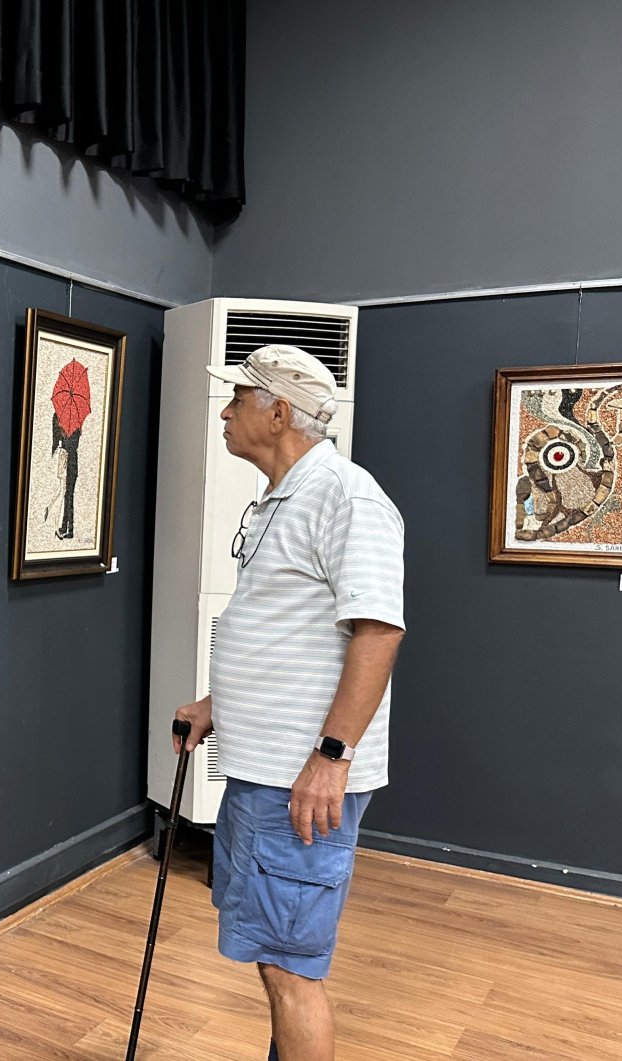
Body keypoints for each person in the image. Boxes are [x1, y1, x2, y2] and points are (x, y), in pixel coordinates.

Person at [172, 344, 405, 1061]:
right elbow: (289, 632)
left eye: (238, 399)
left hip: (301, 779)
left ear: (277, 412)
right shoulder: (286, 496)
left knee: (290, 967)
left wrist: (330, 757)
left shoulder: (347, 496)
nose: (226, 411)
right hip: (267, 768)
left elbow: (378, 631)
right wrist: (220, 700)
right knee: (273, 956)